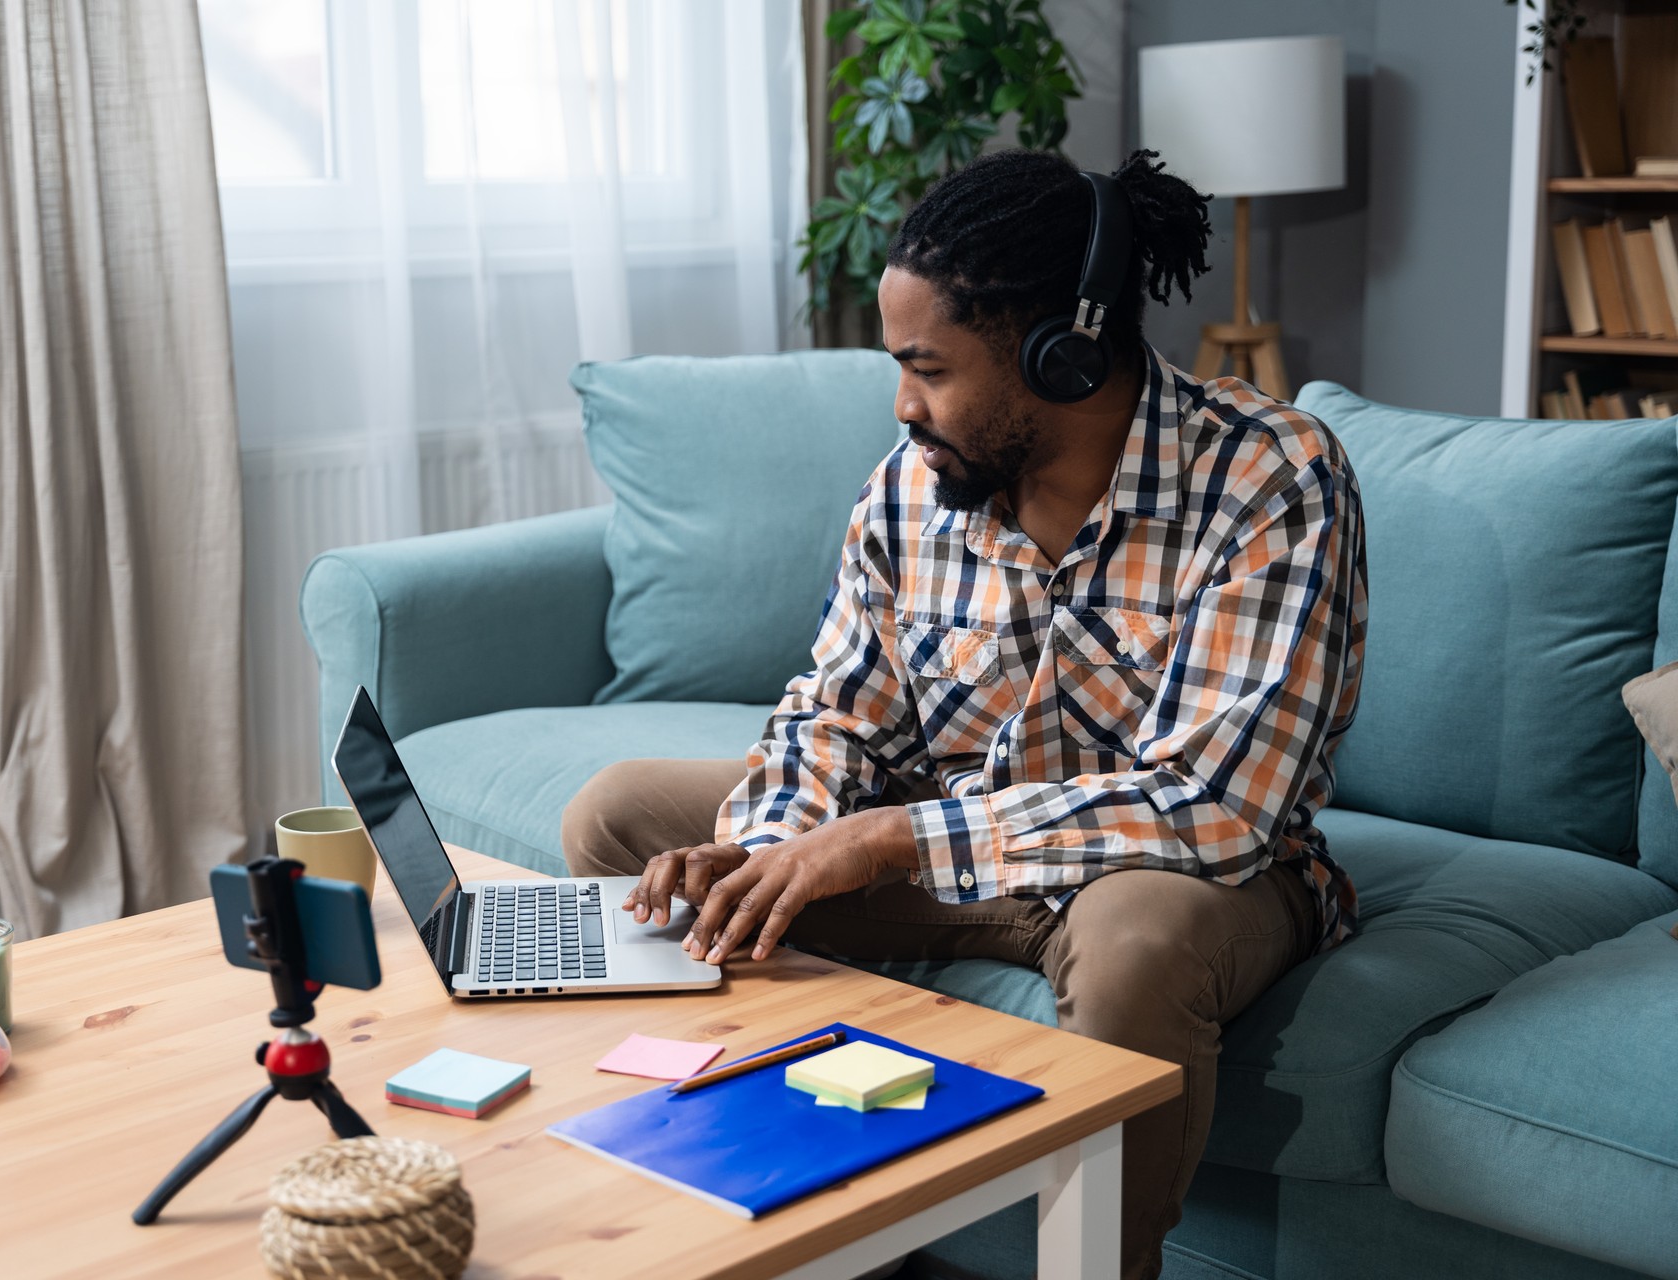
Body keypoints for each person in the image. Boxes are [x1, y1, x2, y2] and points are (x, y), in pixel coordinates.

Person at [562, 147, 1367, 1280]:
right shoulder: (913, 480)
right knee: (623, 821)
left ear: (1062, 350)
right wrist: (766, 843)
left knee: (1135, 943)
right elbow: (841, 709)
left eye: (929, 368)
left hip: (1178, 873)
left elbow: (1216, 805)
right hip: (966, 846)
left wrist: (885, 836)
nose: (904, 405)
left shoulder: (1271, 477)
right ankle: (770, 1208)